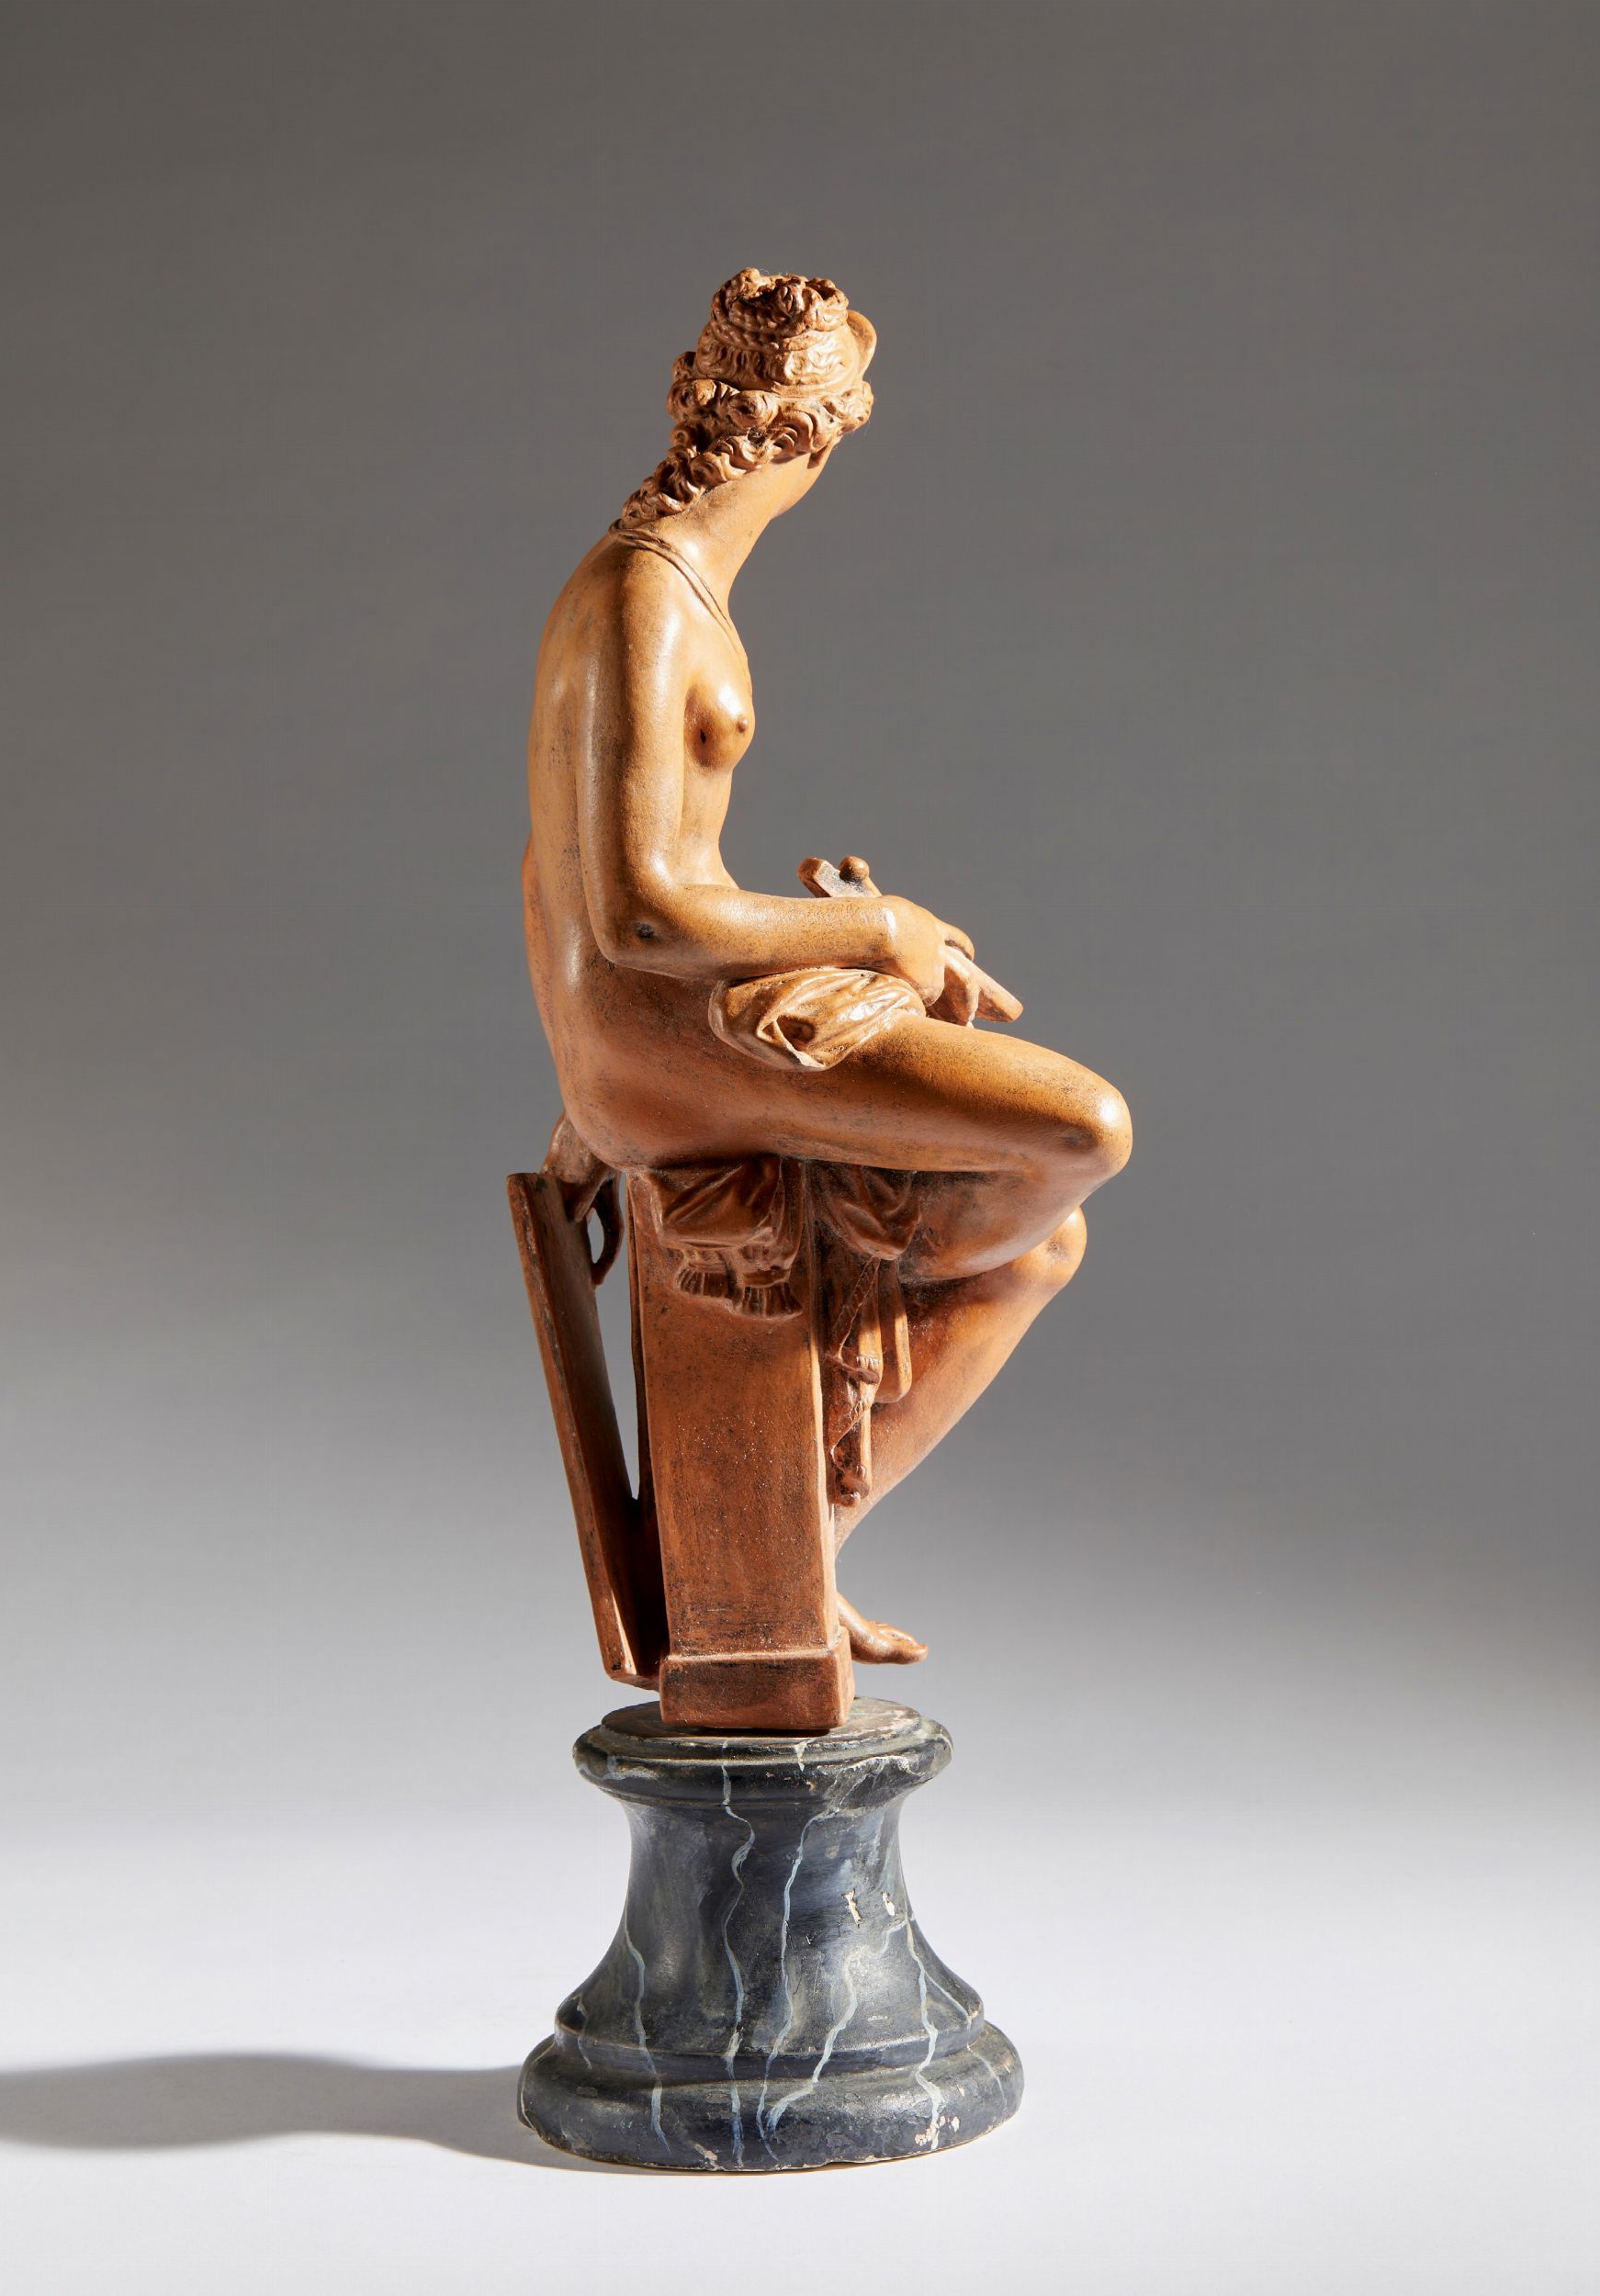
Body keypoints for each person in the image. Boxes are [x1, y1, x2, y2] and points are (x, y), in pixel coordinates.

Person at [523, 271, 1132, 1661]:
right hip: (654, 1036)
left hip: (667, 1015)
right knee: (1080, 1132)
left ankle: (801, 1539)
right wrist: (874, 935)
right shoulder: (643, 604)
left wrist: (861, 943)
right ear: (801, 435)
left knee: (1040, 1245)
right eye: (836, 438)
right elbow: (633, 915)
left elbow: (586, 877)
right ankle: (837, 1314)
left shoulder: (662, 585)